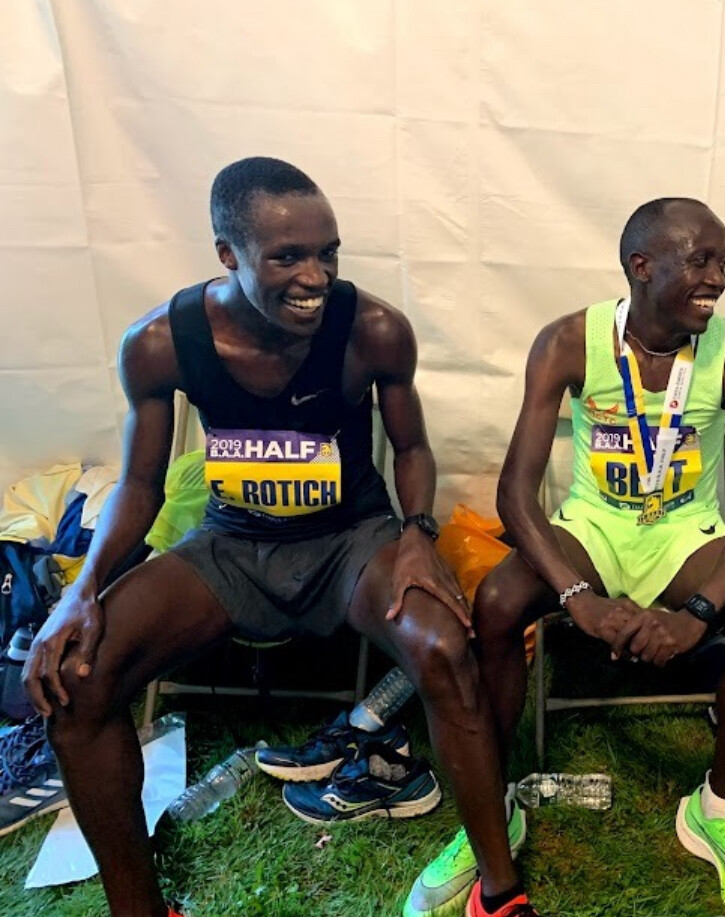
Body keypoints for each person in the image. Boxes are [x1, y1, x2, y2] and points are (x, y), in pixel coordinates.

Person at [23, 157, 534, 917]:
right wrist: (84, 590)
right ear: (228, 254)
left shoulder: (374, 330)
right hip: (230, 548)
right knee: (78, 679)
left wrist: (418, 533)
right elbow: (139, 484)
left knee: (441, 645)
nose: (315, 277)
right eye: (287, 257)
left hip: (350, 543)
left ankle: (497, 889)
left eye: (328, 253)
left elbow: (413, 448)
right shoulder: (161, 342)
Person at [405, 198, 725, 917]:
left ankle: (717, 809)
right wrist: (576, 595)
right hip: (595, 523)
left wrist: (699, 614)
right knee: (498, 602)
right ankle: (495, 804)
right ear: (642, 266)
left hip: (683, 530)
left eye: (722, 262)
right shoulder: (567, 341)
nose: (718, 279)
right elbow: (515, 494)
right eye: (701, 261)